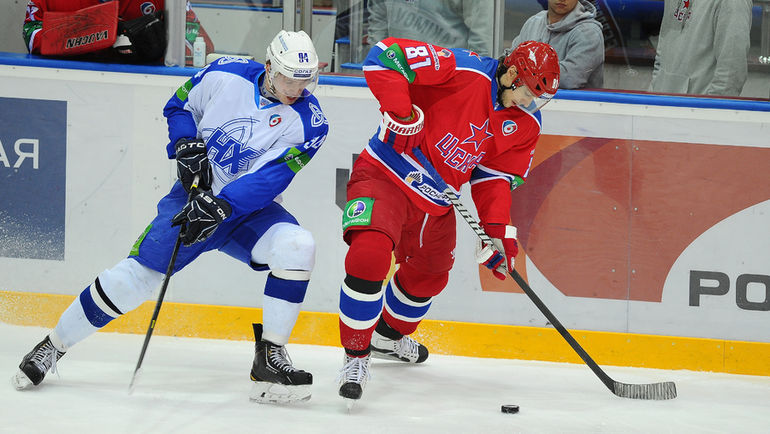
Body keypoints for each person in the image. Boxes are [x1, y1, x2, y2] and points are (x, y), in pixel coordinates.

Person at [12, 30, 328, 405]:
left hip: (247, 213)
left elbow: (271, 177)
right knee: (134, 280)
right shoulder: (223, 73)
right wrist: (185, 143)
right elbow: (179, 106)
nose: (295, 88)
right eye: (288, 78)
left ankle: (270, 356)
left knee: (298, 246)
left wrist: (223, 206)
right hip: (191, 198)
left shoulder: (311, 123)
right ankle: (53, 345)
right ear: (269, 67)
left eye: (304, 80)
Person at [336, 37, 560, 402]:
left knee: (431, 275)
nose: (530, 101)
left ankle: (386, 338)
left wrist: (498, 233)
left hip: (436, 199)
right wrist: (402, 114)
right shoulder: (462, 69)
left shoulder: (526, 123)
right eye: (527, 91)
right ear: (512, 73)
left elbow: (494, 178)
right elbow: (383, 57)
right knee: (370, 254)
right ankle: (355, 355)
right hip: (387, 173)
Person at [22, 0, 214, 64]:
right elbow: (31, 34)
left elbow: (203, 49)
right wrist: (92, 33)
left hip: (139, 96)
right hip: (67, 91)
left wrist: (164, 48)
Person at [649, 0, 752, 96]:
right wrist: (652, 95)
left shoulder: (733, 3)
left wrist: (709, 112)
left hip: (698, 111)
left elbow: (731, 73)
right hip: (660, 105)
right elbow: (661, 56)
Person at [512, 0, 603, 89]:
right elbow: (509, 59)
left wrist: (521, 67)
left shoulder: (589, 32)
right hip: (528, 101)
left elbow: (570, 79)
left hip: (571, 103)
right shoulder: (533, 22)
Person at [367, 0, 493, 56]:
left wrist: (475, 76)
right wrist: (378, 64)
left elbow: (481, 33)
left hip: (446, 80)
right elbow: (378, 21)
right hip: (398, 75)